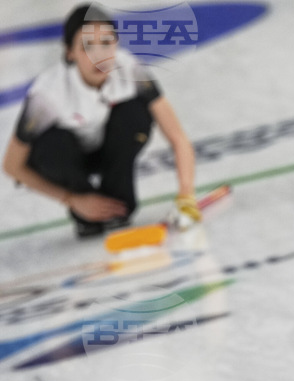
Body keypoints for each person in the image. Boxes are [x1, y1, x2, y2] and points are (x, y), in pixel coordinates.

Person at [2, 3, 200, 238]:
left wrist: (186, 194)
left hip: (107, 146)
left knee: (134, 114)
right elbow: (12, 165)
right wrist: (72, 199)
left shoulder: (131, 70)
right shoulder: (47, 96)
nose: (99, 56)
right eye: (87, 47)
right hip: (64, 157)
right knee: (53, 144)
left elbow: (177, 136)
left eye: (106, 43)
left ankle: (117, 204)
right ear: (70, 52)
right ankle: (86, 215)